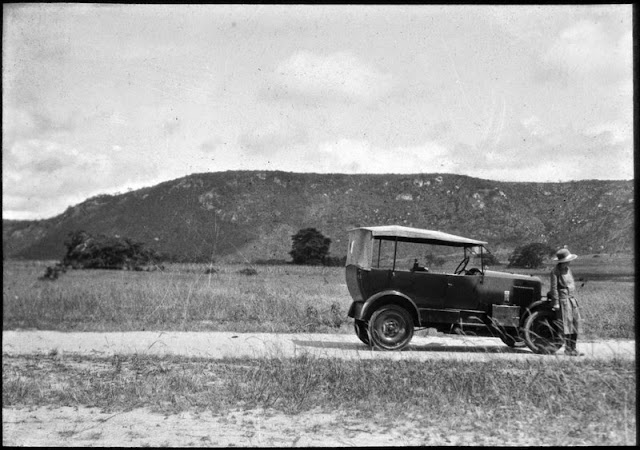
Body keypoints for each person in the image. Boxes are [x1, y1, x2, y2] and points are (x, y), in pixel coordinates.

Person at [549, 248, 583, 356]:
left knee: (575, 324)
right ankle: (568, 349)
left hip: (572, 300)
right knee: (567, 325)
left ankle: (574, 348)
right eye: (566, 261)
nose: (568, 262)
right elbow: (554, 288)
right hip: (563, 301)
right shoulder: (555, 271)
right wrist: (556, 303)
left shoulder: (568, 270)